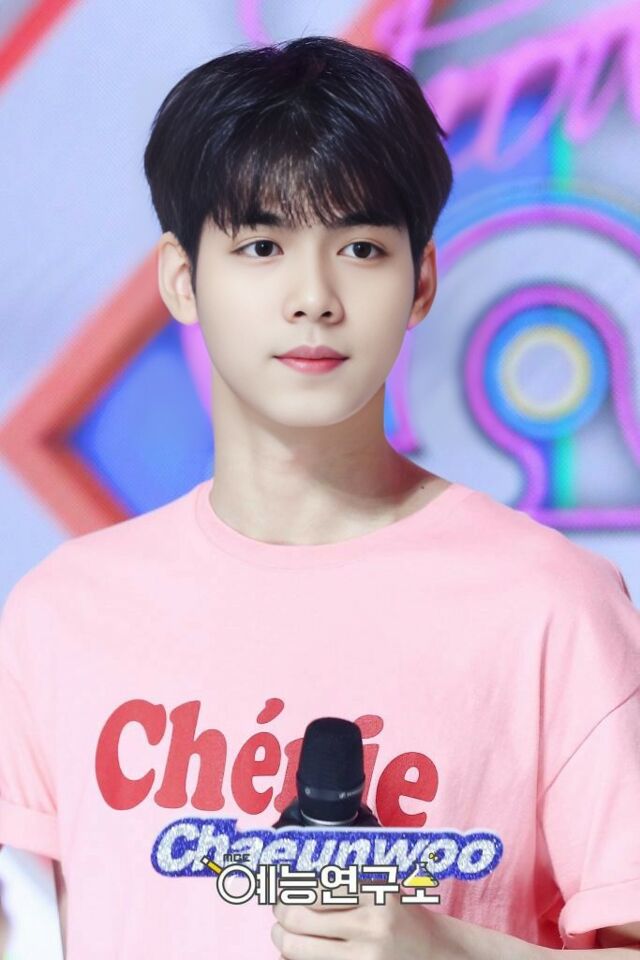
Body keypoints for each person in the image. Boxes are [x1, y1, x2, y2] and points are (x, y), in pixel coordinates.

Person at [1, 34, 639, 960]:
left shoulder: (551, 605)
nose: (314, 297)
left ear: (421, 282)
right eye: (262, 245)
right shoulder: (65, 611)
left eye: (361, 248)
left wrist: (450, 951)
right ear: (182, 279)